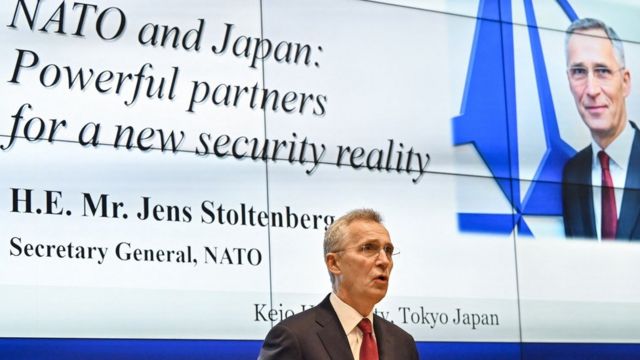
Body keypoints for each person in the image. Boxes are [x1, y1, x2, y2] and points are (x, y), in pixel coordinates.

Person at [258, 209, 419, 359]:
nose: (384, 261)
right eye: (368, 248)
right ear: (334, 263)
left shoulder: (403, 343)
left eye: (388, 250)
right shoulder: (294, 337)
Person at [562, 18, 640, 240]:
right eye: (579, 71)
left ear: (625, 82)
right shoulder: (572, 173)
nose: (591, 89)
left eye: (602, 70)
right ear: (568, 80)